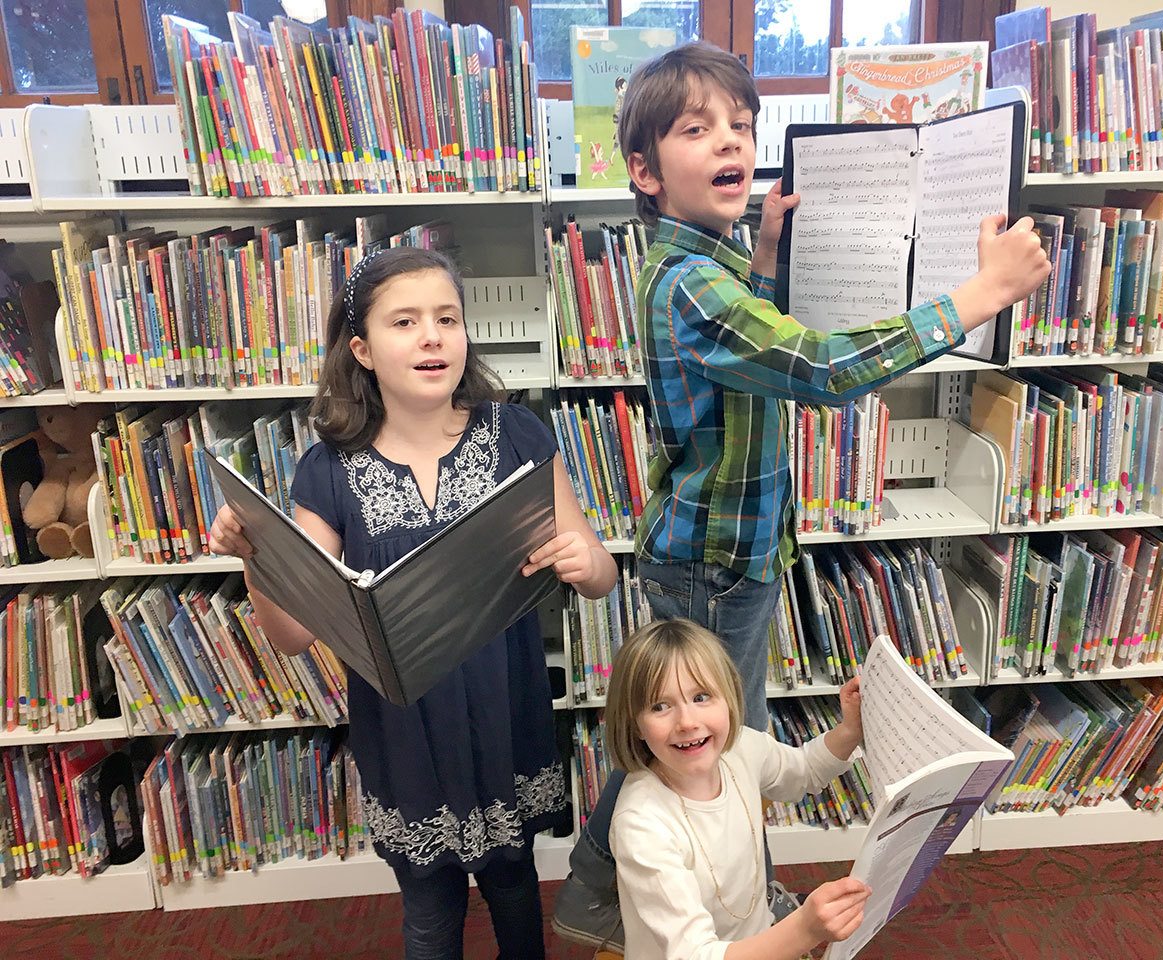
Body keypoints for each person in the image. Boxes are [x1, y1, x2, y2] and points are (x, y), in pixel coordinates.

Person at [552, 42, 1051, 951]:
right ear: (644, 172)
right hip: (711, 564)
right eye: (697, 129)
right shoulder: (692, 284)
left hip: (722, 555)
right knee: (697, 744)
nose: (730, 140)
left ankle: (664, 883)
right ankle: (662, 893)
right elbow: (815, 367)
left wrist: (769, 253)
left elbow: (756, 340)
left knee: (703, 740)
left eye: (741, 125)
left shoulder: (710, 263)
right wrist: (977, 296)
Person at [207, 247, 618, 960]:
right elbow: (294, 635)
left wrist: (586, 565)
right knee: (429, 908)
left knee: (515, 884)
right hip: (405, 733)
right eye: (406, 321)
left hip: (502, 711)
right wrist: (256, 560)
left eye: (447, 318)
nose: (433, 336)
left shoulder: (515, 434)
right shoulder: (327, 469)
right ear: (362, 349)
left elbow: (602, 574)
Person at [606, 618, 871, 959]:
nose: (687, 722)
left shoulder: (741, 747)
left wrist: (849, 732)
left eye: (701, 696)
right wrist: (804, 928)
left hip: (760, 944)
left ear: (728, 698)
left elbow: (802, 771)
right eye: (660, 706)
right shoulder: (640, 823)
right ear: (635, 725)